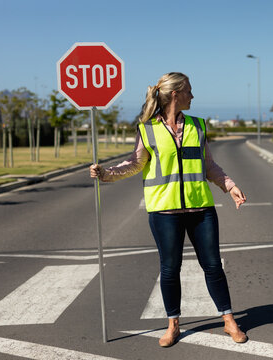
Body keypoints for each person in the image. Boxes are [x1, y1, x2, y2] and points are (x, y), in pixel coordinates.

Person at [90, 72, 248, 347]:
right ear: (175, 94)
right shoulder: (147, 129)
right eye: (189, 90)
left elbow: (209, 165)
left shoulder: (197, 126)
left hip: (201, 208)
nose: (192, 96)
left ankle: (229, 320)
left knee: (213, 266)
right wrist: (105, 173)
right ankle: (173, 324)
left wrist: (229, 185)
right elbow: (135, 164)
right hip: (164, 212)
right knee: (170, 269)